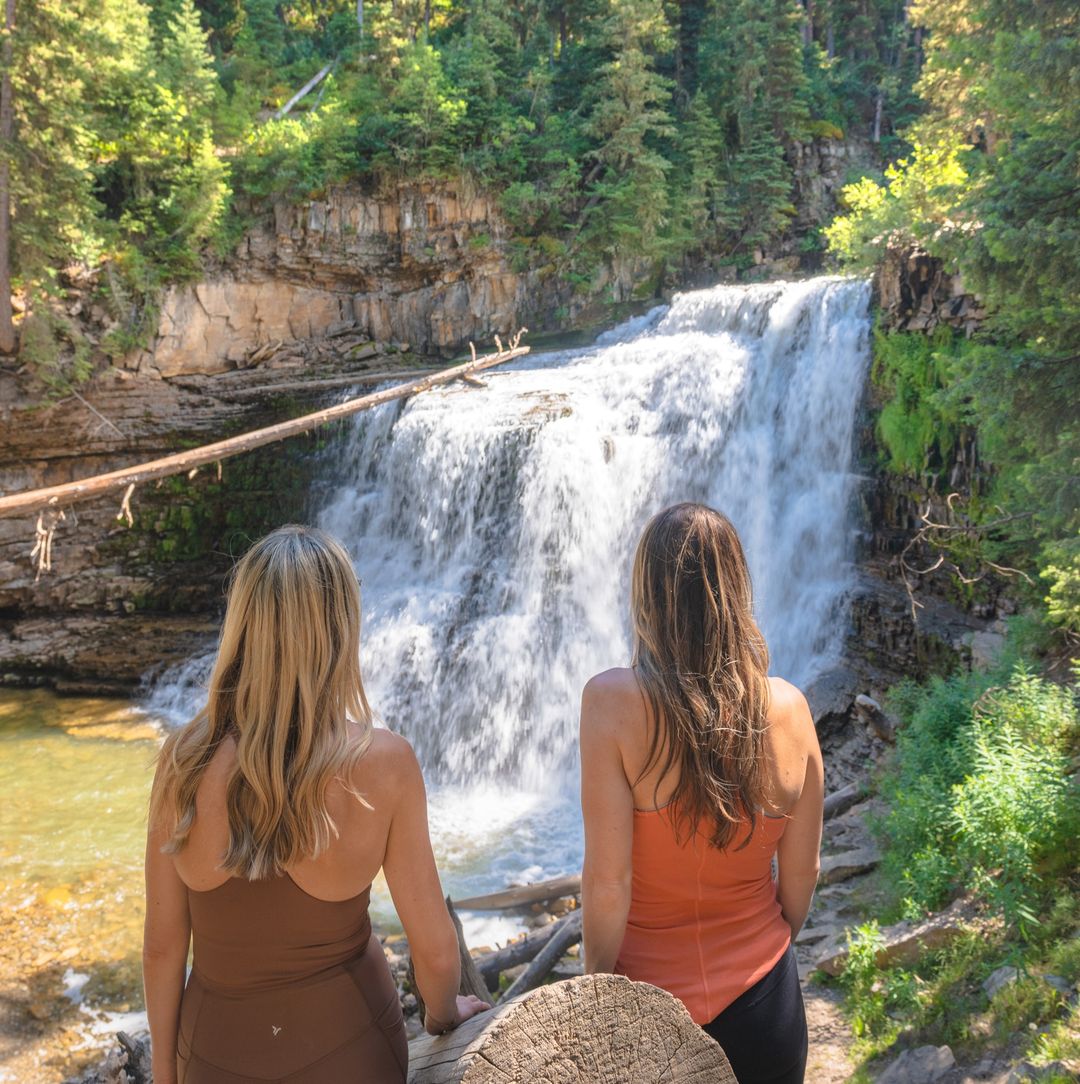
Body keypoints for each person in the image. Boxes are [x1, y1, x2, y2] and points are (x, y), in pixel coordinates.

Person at [143, 525, 488, 1084]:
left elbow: (161, 951)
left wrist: (165, 1074)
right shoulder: (385, 762)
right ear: (340, 628)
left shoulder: (183, 760)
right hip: (353, 1052)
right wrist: (443, 1014)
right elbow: (436, 951)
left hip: (213, 1058)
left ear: (243, 627)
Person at [579, 503, 823, 1084]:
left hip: (647, 1013)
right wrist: (760, 942)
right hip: (767, 1005)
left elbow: (610, 883)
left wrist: (593, 985)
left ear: (648, 593)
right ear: (737, 588)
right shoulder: (790, 709)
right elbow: (802, 875)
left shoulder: (611, 703)